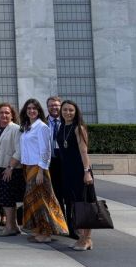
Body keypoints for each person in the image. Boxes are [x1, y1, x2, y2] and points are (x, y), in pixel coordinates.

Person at [19, 98, 68, 243]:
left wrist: (41, 170)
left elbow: (45, 150)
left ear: (39, 111)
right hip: (28, 167)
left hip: (38, 168)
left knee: (43, 201)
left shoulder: (42, 127)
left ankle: (47, 233)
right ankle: (38, 229)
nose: (31, 111)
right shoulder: (28, 126)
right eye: (29, 108)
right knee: (33, 201)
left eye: (34, 108)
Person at [58, 100, 95, 251]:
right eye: (65, 110)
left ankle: (87, 239)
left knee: (84, 205)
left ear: (76, 112)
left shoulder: (78, 128)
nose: (68, 112)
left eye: (71, 110)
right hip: (68, 172)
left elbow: (84, 152)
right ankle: (82, 238)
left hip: (80, 171)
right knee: (74, 205)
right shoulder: (63, 126)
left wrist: (87, 172)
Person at [0, 103, 24, 237]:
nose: (4, 115)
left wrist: (10, 167)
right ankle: (13, 225)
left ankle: (9, 226)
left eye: (7, 113)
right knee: (4, 197)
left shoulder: (16, 129)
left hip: (9, 168)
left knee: (8, 197)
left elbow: (19, 150)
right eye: (1, 113)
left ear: (12, 115)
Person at [46, 95, 66, 222]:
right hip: (49, 163)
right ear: (47, 107)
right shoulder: (42, 122)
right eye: (51, 105)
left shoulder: (67, 121)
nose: (54, 107)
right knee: (54, 194)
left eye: (56, 105)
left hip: (65, 163)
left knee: (67, 194)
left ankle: (70, 223)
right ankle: (57, 221)